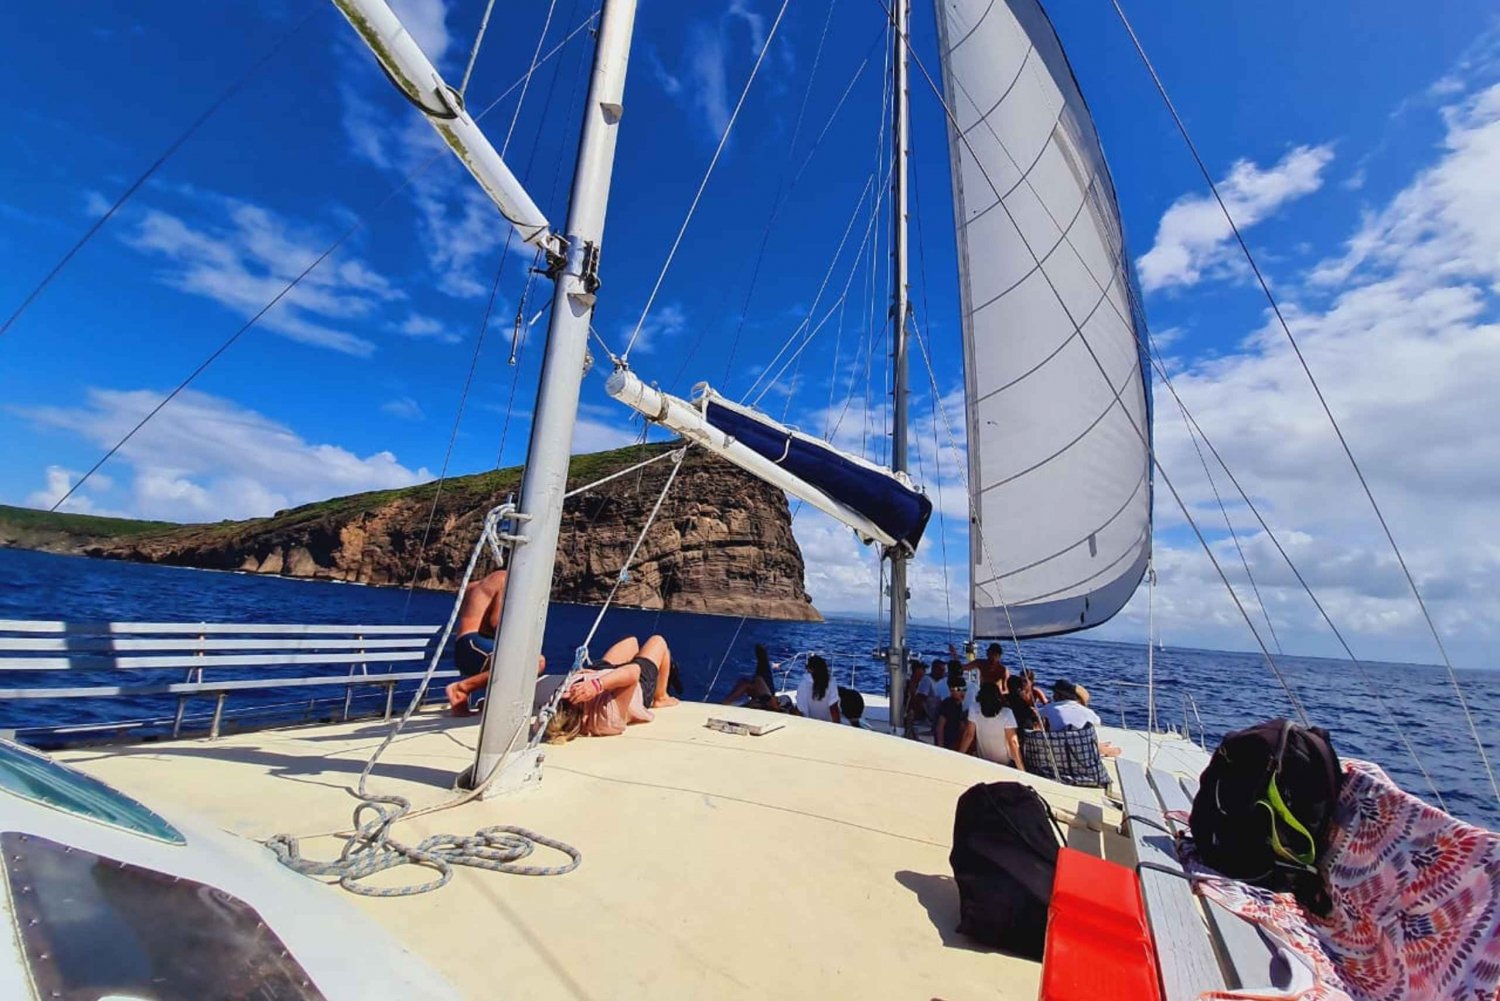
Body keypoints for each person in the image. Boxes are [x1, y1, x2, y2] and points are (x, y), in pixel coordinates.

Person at [446, 569, 545, 716]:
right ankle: (461, 689)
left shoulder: (473, 586)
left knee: (518, 659)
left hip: (464, 649)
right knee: (537, 661)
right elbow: (496, 621)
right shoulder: (504, 578)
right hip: (477, 646)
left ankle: (489, 701)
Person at [543, 635, 675, 742]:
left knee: (631, 641)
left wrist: (585, 678)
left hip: (598, 674)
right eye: (569, 696)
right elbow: (634, 671)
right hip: (633, 687)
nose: (566, 693)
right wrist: (596, 685)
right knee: (658, 641)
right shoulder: (606, 719)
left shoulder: (552, 714)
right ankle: (661, 698)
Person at [1039, 680, 1121, 756]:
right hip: (1082, 747)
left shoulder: (1050, 708)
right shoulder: (1089, 713)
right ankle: (1100, 748)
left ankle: (1098, 747)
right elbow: (1097, 723)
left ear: (1058, 695)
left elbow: (1037, 714)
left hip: (1059, 747)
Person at [971, 680, 1021, 769]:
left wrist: (959, 754)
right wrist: (1021, 769)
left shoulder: (974, 709)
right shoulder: (1007, 713)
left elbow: (968, 735)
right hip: (1004, 763)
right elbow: (1013, 742)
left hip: (983, 759)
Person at [721, 643, 780, 710]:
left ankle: (723, 705)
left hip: (768, 705)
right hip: (767, 702)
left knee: (747, 683)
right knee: (758, 678)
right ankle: (724, 705)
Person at [934, 674, 975, 754]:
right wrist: (940, 747)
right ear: (951, 690)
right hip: (948, 743)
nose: (962, 692)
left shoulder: (959, 705)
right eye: (958, 689)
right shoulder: (947, 704)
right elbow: (940, 726)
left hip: (955, 742)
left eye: (964, 689)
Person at [795, 655, 841, 723]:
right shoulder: (831, 682)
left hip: (810, 724)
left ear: (810, 669)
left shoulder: (803, 684)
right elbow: (833, 708)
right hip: (829, 724)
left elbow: (800, 710)